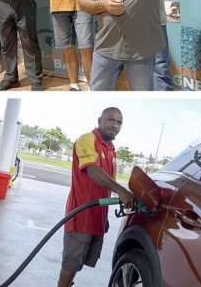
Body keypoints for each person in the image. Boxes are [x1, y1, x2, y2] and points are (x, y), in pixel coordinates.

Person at [58, 108, 135, 287]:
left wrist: (104, 217)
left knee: (78, 264)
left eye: (119, 122)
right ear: (100, 120)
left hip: (96, 218)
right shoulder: (87, 140)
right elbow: (93, 171)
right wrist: (122, 191)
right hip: (80, 217)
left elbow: (105, 186)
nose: (115, 125)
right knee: (70, 265)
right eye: (111, 120)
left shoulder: (111, 150)